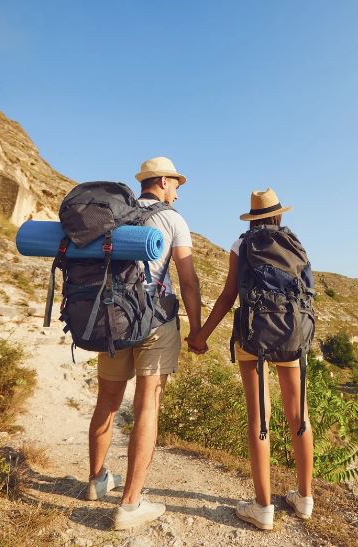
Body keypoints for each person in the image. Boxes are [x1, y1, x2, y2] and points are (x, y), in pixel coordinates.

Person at [86, 156, 202, 530]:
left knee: (106, 400)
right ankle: (130, 504)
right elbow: (187, 279)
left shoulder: (117, 214)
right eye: (177, 186)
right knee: (147, 405)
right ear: (164, 181)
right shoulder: (172, 219)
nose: (178, 195)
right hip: (154, 322)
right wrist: (196, 329)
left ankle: (96, 480)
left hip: (112, 319)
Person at [187, 188, 314, 531]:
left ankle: (263, 506)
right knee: (298, 414)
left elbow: (229, 295)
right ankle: (304, 499)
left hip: (253, 336)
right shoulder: (295, 243)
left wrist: (201, 335)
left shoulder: (240, 245)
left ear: (252, 218)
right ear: (279, 216)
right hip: (292, 333)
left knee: (260, 417)